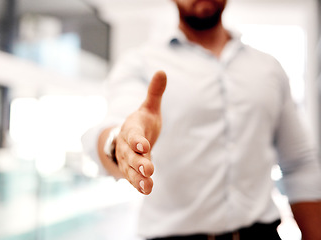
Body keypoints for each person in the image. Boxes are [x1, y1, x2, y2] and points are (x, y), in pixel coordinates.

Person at [82, 0, 321, 239]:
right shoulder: (140, 63)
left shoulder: (269, 68)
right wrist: (121, 143)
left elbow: (298, 164)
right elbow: (115, 126)